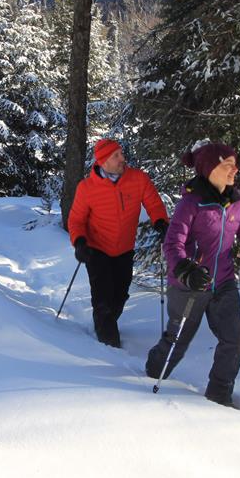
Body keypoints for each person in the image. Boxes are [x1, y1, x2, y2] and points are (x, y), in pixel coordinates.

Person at [145, 142, 240, 406]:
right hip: (190, 284)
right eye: (227, 165)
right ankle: (151, 374)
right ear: (209, 169)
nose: (235, 170)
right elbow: (173, 243)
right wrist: (185, 269)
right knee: (178, 341)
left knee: (233, 337)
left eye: (235, 164)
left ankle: (219, 396)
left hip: (222, 282)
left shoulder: (238, 203)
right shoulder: (191, 203)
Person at [68, 138, 168, 348]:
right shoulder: (87, 188)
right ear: (104, 161)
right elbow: (76, 219)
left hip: (124, 249)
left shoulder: (138, 179)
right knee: (103, 297)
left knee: (120, 295)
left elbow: (153, 202)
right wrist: (79, 242)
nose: (123, 158)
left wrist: (160, 221)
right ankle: (108, 343)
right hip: (97, 250)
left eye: (121, 153)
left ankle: (106, 321)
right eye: (117, 155)